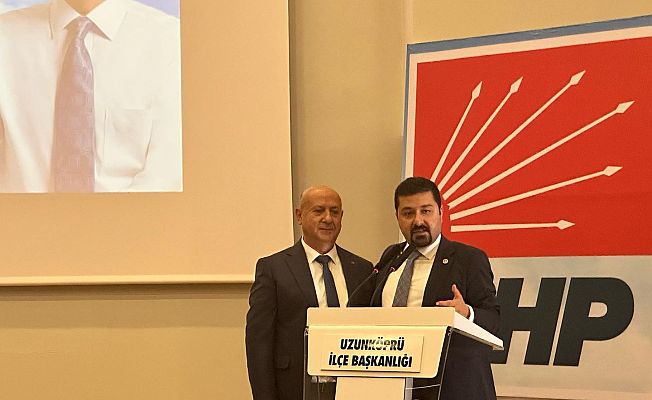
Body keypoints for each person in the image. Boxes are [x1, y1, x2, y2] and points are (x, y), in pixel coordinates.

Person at [0, 0, 181, 192]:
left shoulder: (170, 40)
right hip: (20, 210)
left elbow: (165, 175)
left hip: (135, 210)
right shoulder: (5, 36)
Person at [371, 176, 499, 400]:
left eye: (426, 211)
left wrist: (467, 314)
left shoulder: (468, 259)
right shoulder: (391, 257)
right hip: (392, 385)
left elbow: (495, 321)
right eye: (408, 213)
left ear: (440, 212)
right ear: (397, 217)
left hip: (451, 388)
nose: (418, 221)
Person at [246, 185, 374, 400]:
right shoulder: (273, 268)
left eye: (334, 212)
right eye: (318, 210)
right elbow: (258, 343)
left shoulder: (362, 269)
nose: (328, 218)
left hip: (353, 387)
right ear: (299, 215)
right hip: (295, 388)